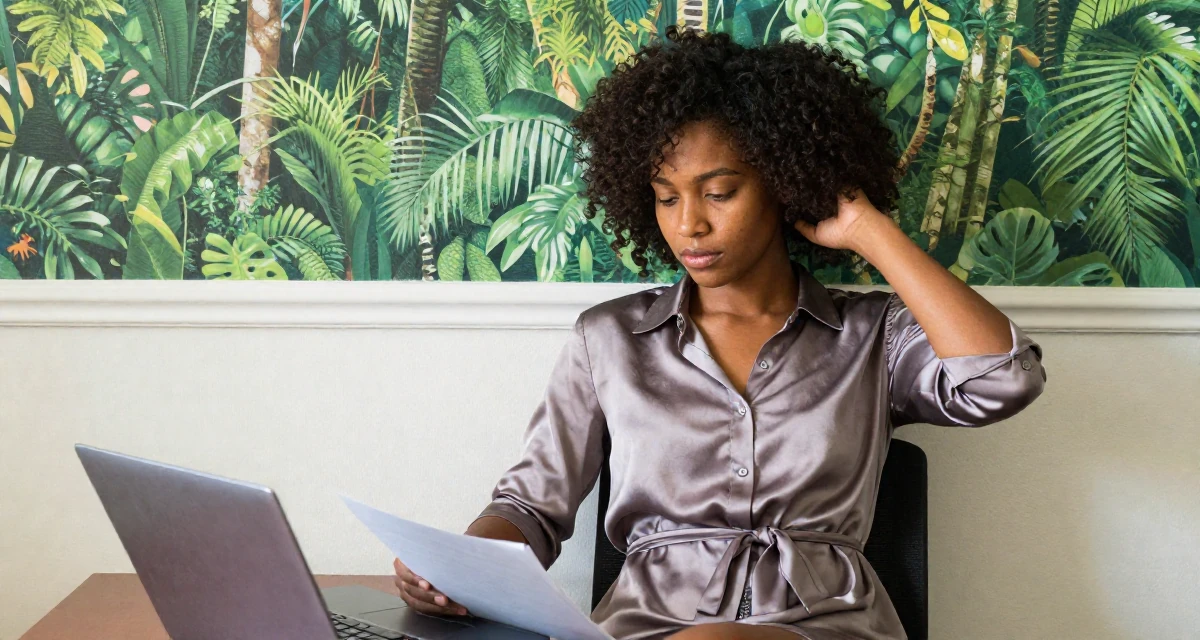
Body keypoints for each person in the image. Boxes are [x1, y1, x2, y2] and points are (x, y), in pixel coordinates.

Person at [393, 25, 1047, 640]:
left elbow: (1003, 378)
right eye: (666, 195)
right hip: (649, 625)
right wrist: (456, 571)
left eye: (720, 191)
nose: (689, 226)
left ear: (784, 184)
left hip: (823, 626)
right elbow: (531, 506)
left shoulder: (871, 337)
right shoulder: (609, 340)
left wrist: (865, 228)